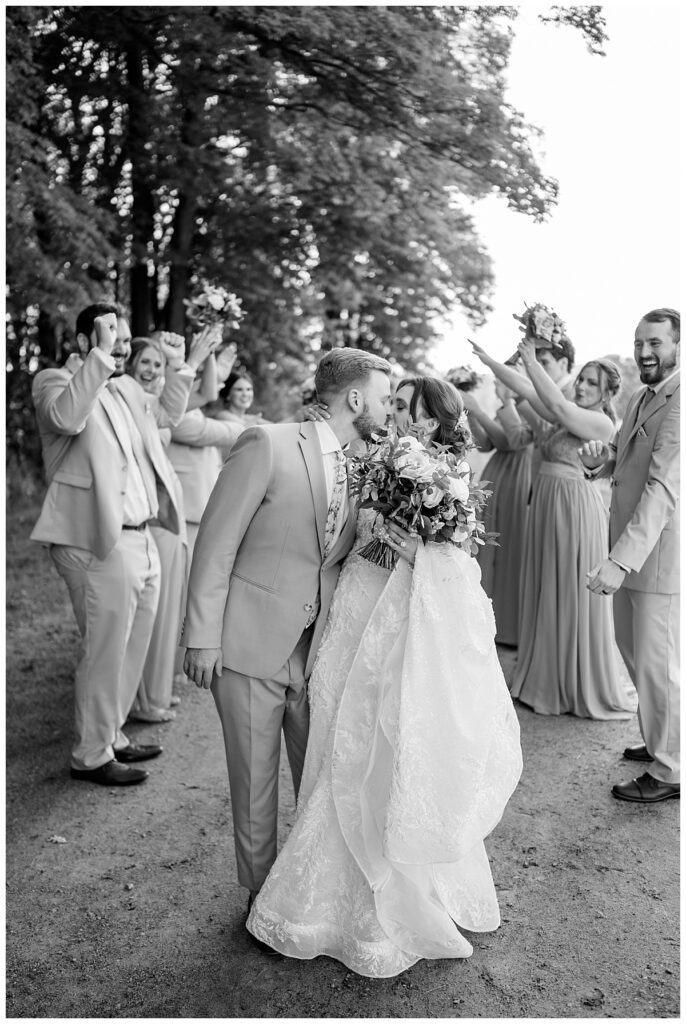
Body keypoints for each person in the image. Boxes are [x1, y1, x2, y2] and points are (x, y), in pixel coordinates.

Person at [246, 375, 522, 977]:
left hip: (391, 616)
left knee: (372, 743)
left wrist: (410, 549)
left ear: (428, 420)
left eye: (403, 406)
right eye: (391, 401)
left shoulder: (442, 473)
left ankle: (371, 904)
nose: (391, 412)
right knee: (332, 728)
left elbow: (452, 559)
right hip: (353, 604)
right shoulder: (376, 458)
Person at [182, 348, 394, 909]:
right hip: (250, 645)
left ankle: (306, 889)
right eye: (384, 397)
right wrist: (202, 635)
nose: (389, 409)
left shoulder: (360, 465)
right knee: (253, 784)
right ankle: (261, 898)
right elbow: (215, 544)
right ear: (354, 398)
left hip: (318, 651)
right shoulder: (267, 443)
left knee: (321, 777)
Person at [30, 304, 195, 784]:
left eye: (122, 337)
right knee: (105, 650)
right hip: (96, 542)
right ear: (85, 341)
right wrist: (98, 358)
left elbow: (169, 413)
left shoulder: (123, 389)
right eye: (110, 337)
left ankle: (113, 735)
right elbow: (67, 419)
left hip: (143, 537)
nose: (121, 346)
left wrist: (180, 365)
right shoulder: (55, 382)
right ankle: (91, 754)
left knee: (130, 649)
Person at [470, 337, 635, 720]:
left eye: (592, 383)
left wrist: (531, 359)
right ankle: (541, 676)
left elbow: (554, 402)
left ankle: (568, 682)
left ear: (608, 391)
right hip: (547, 504)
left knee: (566, 588)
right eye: (582, 380)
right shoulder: (568, 413)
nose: (582, 387)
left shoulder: (599, 421)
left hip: (573, 508)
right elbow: (527, 390)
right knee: (545, 586)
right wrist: (492, 361)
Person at [581, 308, 680, 803]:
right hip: (627, 547)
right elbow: (625, 456)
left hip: (655, 557)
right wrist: (602, 461)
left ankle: (670, 771)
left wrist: (619, 561)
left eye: (656, 343)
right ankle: (663, 740)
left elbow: (663, 487)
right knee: (634, 654)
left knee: (657, 664)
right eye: (639, 341)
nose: (644, 351)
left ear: (677, 346)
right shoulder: (643, 396)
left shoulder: (680, 401)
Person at [124, 333, 219, 722]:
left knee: (166, 610)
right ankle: (146, 699)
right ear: (129, 365)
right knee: (158, 613)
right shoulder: (130, 399)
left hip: (168, 510)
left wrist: (207, 346)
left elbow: (208, 390)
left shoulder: (161, 402)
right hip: (151, 513)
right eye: (144, 362)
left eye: (157, 364)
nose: (150, 370)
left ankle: (155, 692)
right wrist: (190, 359)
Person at [461, 377, 533, 647]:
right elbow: (487, 443)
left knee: (510, 550)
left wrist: (480, 408)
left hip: (519, 475)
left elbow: (512, 442)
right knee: (488, 551)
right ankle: (483, 618)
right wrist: (472, 413)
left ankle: (508, 627)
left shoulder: (531, 405)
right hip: (498, 474)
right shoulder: (508, 406)